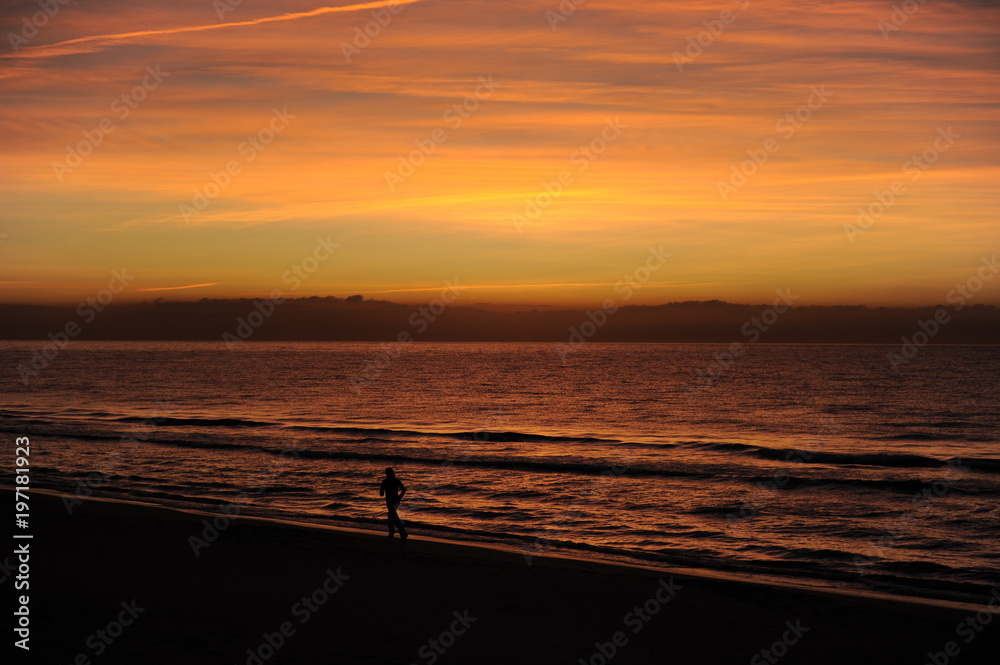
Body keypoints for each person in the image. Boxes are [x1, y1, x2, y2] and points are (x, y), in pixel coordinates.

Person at [379, 467, 407, 540]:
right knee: (391, 516)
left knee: (393, 516)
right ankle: (393, 533)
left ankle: (401, 533)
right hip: (396, 500)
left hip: (390, 501)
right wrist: (399, 497)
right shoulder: (396, 480)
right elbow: (403, 490)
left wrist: (383, 489)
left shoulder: (384, 481)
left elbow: (381, 494)